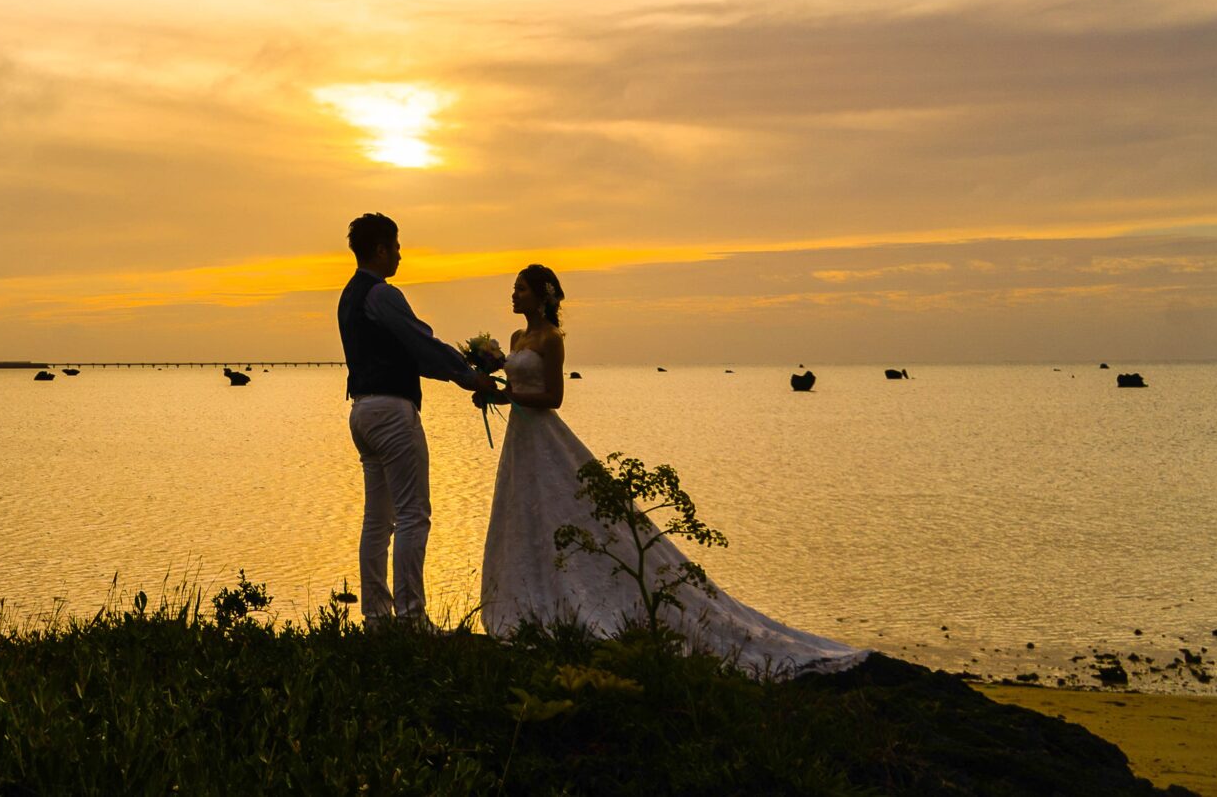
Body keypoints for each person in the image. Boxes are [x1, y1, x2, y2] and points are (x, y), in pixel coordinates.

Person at [477, 264, 866, 676]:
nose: (513, 295)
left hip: (543, 434)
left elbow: (553, 397)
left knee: (560, 509)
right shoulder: (516, 339)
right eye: (513, 289)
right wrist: (495, 392)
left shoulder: (551, 339)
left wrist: (504, 394)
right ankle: (529, 597)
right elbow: (516, 391)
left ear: (541, 295)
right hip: (519, 438)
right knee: (523, 512)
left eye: (519, 289)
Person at [339, 211, 493, 626]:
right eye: (398, 247)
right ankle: (410, 617)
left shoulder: (348, 296)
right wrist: (468, 375)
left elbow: (404, 351)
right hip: (391, 412)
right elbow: (419, 343)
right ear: (381, 249)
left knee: (377, 519)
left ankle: (376, 617)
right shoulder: (381, 294)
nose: (401, 256)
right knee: (412, 514)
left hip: (361, 411)